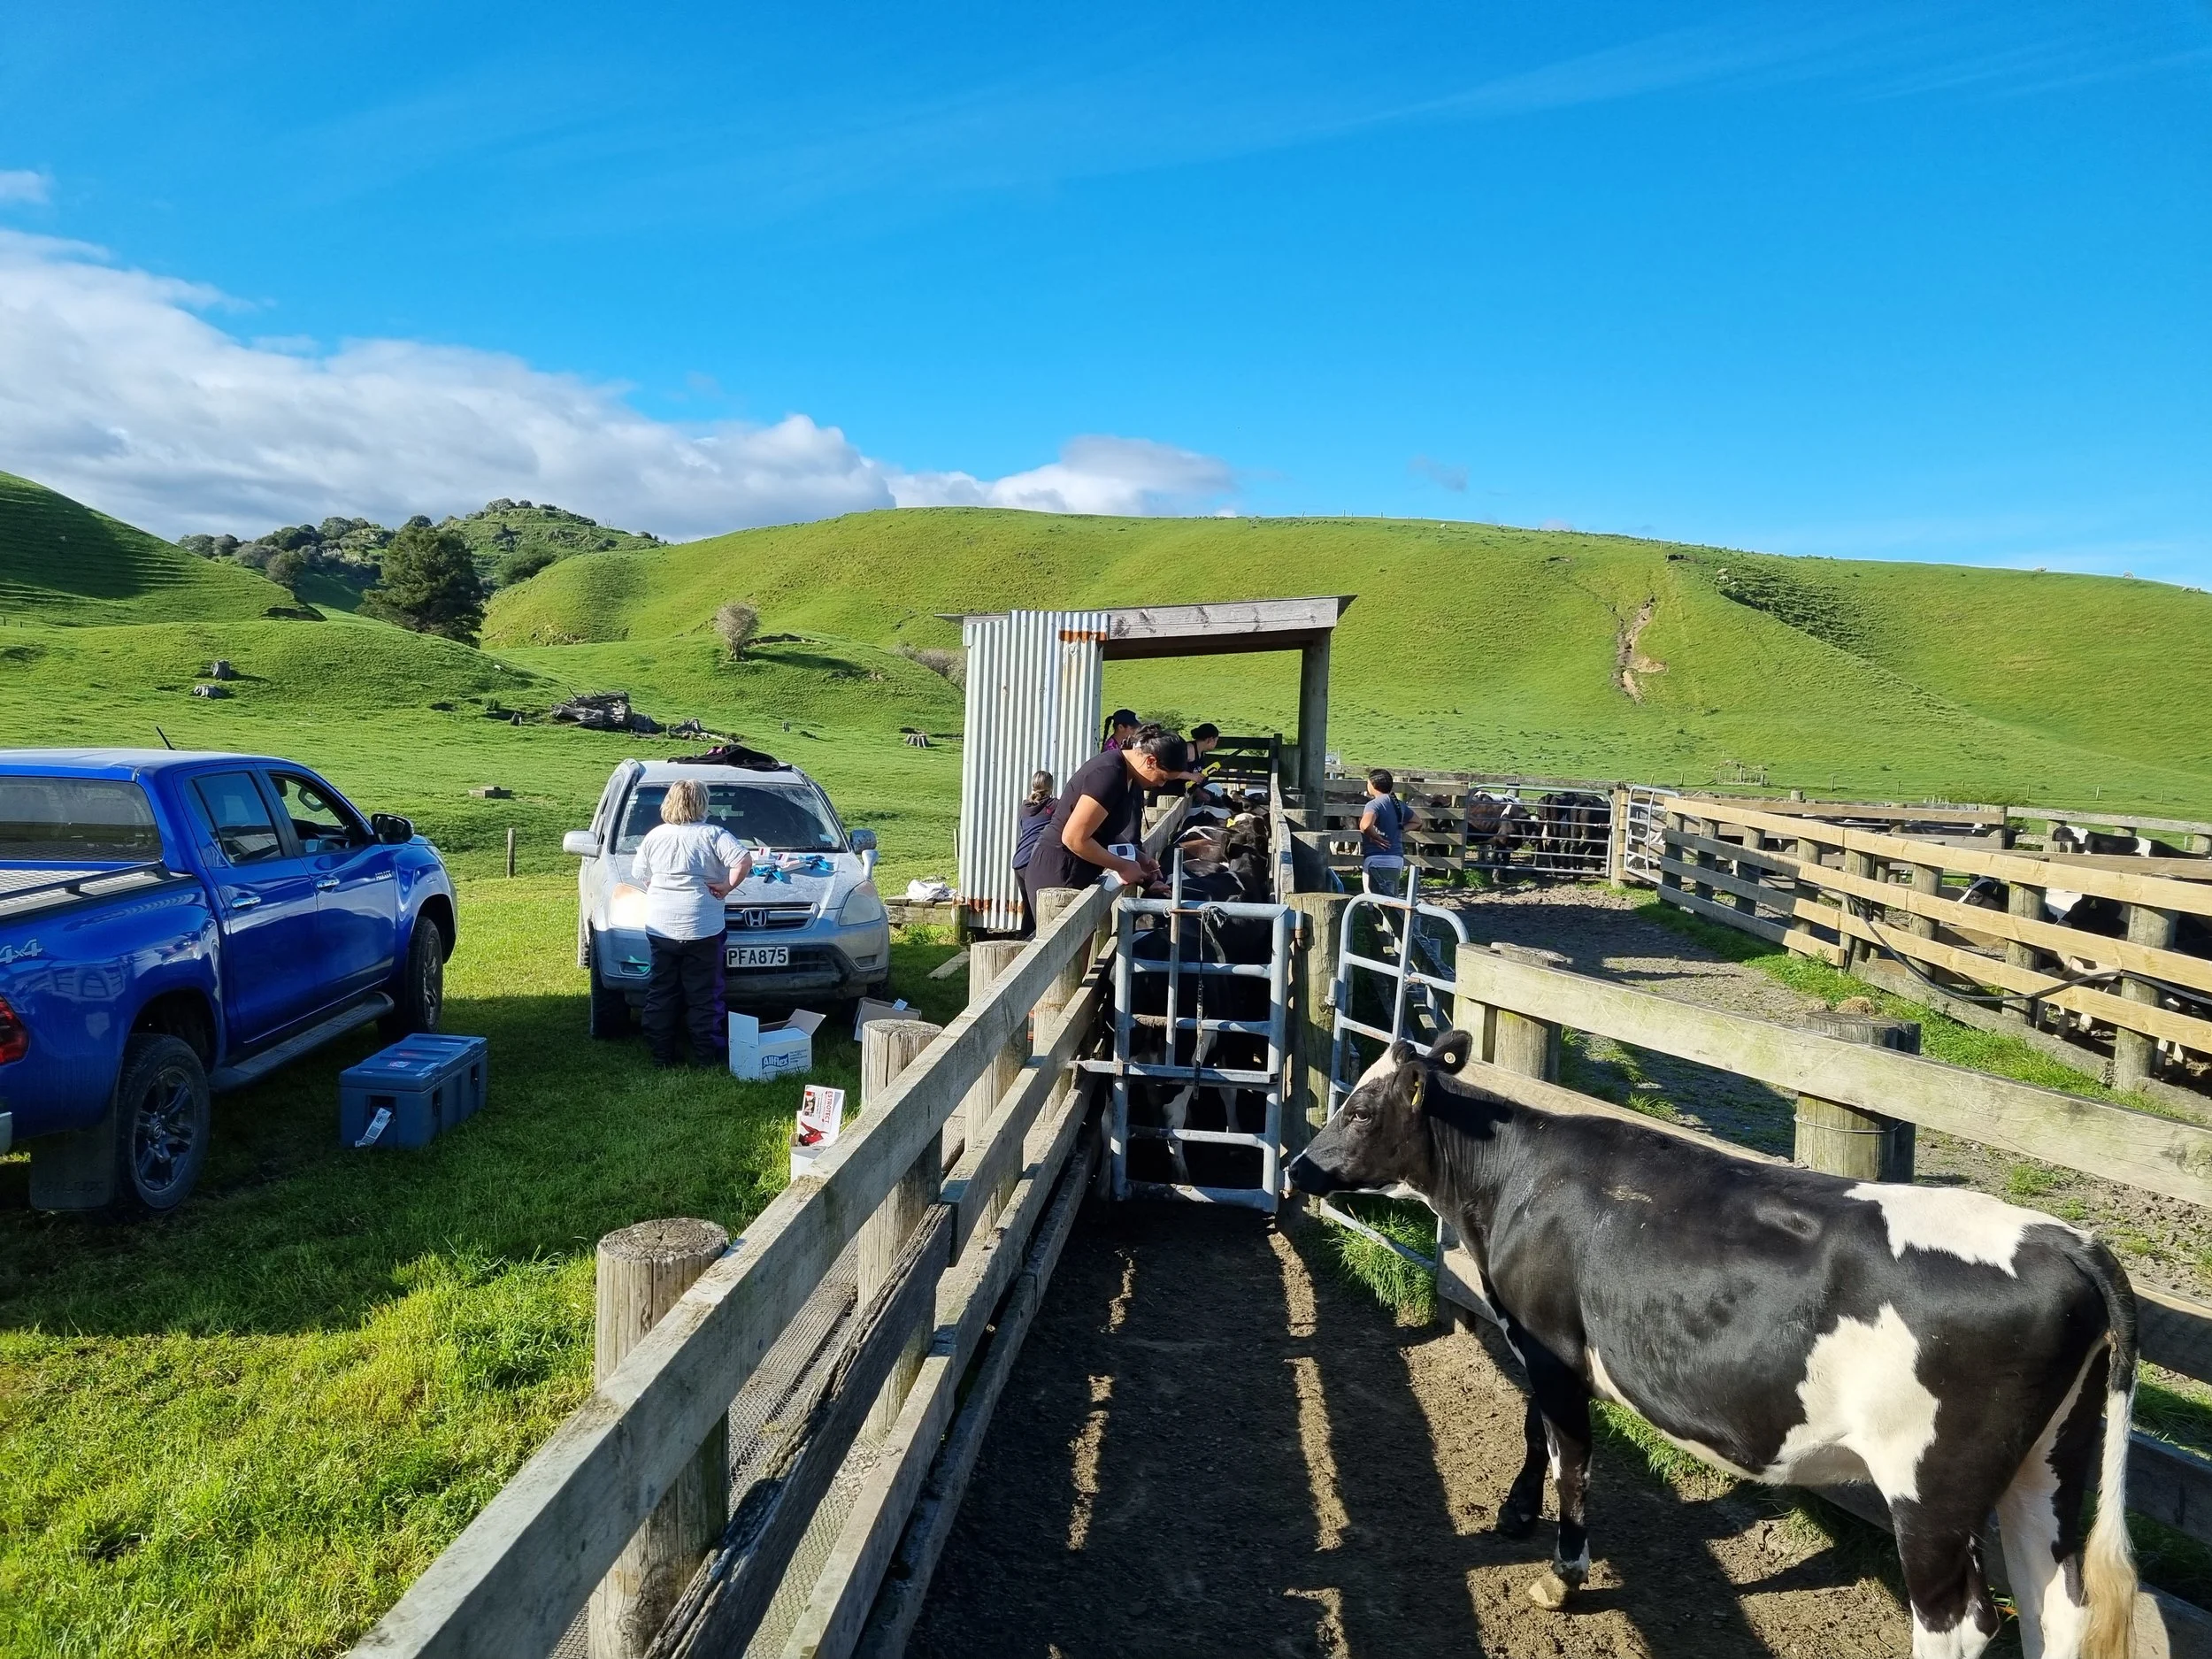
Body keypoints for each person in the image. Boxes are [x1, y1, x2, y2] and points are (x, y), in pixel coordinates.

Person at [630, 778, 753, 1067]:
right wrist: (726, 886)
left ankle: (661, 1053)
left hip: (662, 926)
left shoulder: (655, 836)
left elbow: (641, 874)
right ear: (703, 804)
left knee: (662, 990)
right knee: (704, 994)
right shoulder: (714, 834)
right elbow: (743, 861)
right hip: (703, 926)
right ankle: (706, 1055)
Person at [1023, 725, 1189, 917]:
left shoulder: (1128, 775)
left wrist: (1138, 858)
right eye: (1163, 778)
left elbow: (1105, 831)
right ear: (1150, 761)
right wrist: (1123, 866)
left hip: (1076, 867)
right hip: (1060, 871)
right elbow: (1074, 838)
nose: (1161, 784)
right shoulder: (1109, 773)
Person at [1358, 768, 1419, 897]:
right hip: (1397, 859)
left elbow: (1365, 825)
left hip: (1376, 858)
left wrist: (1375, 837)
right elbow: (1417, 822)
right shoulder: (1399, 805)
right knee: (1391, 898)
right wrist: (1400, 829)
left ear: (1373, 784)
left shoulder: (1374, 804)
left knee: (1374, 900)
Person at [1010, 769, 1055, 937]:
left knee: (1029, 907)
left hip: (1019, 861)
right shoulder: (1053, 806)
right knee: (1038, 911)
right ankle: (1032, 943)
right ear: (1051, 787)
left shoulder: (1025, 806)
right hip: (1033, 862)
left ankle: (1023, 940)